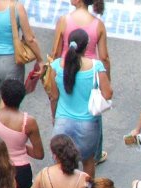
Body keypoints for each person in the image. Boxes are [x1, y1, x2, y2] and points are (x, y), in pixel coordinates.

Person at [47, 29, 111, 178]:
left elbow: (54, 96)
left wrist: (54, 116)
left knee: (59, 162)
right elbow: (108, 93)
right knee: (88, 161)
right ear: (87, 46)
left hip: (62, 122)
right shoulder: (96, 67)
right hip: (88, 123)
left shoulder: (56, 66)